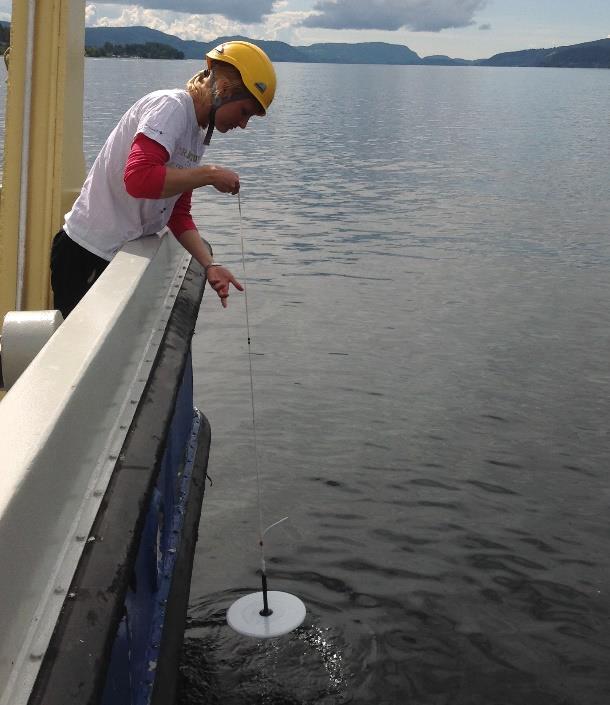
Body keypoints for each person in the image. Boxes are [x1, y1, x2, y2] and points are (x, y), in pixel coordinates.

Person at [50, 40, 276, 318]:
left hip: (116, 254)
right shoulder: (170, 108)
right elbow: (138, 178)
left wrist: (210, 265)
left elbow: (177, 212)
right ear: (224, 90)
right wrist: (210, 174)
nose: (243, 124)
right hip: (85, 252)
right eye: (244, 112)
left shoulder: (197, 133)